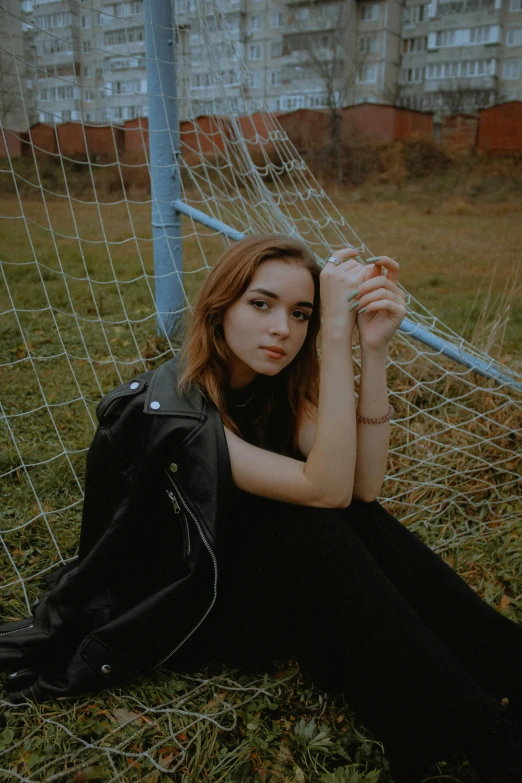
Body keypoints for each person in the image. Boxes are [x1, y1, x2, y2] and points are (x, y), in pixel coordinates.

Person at [1, 235, 521, 783]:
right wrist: (336, 338)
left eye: (302, 315)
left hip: (236, 579)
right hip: (183, 611)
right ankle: (476, 726)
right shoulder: (174, 415)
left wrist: (373, 349)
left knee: (351, 521)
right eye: (261, 304)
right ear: (218, 307)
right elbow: (325, 491)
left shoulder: (269, 387)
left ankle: (507, 665)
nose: (282, 330)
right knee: (312, 525)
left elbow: (363, 488)